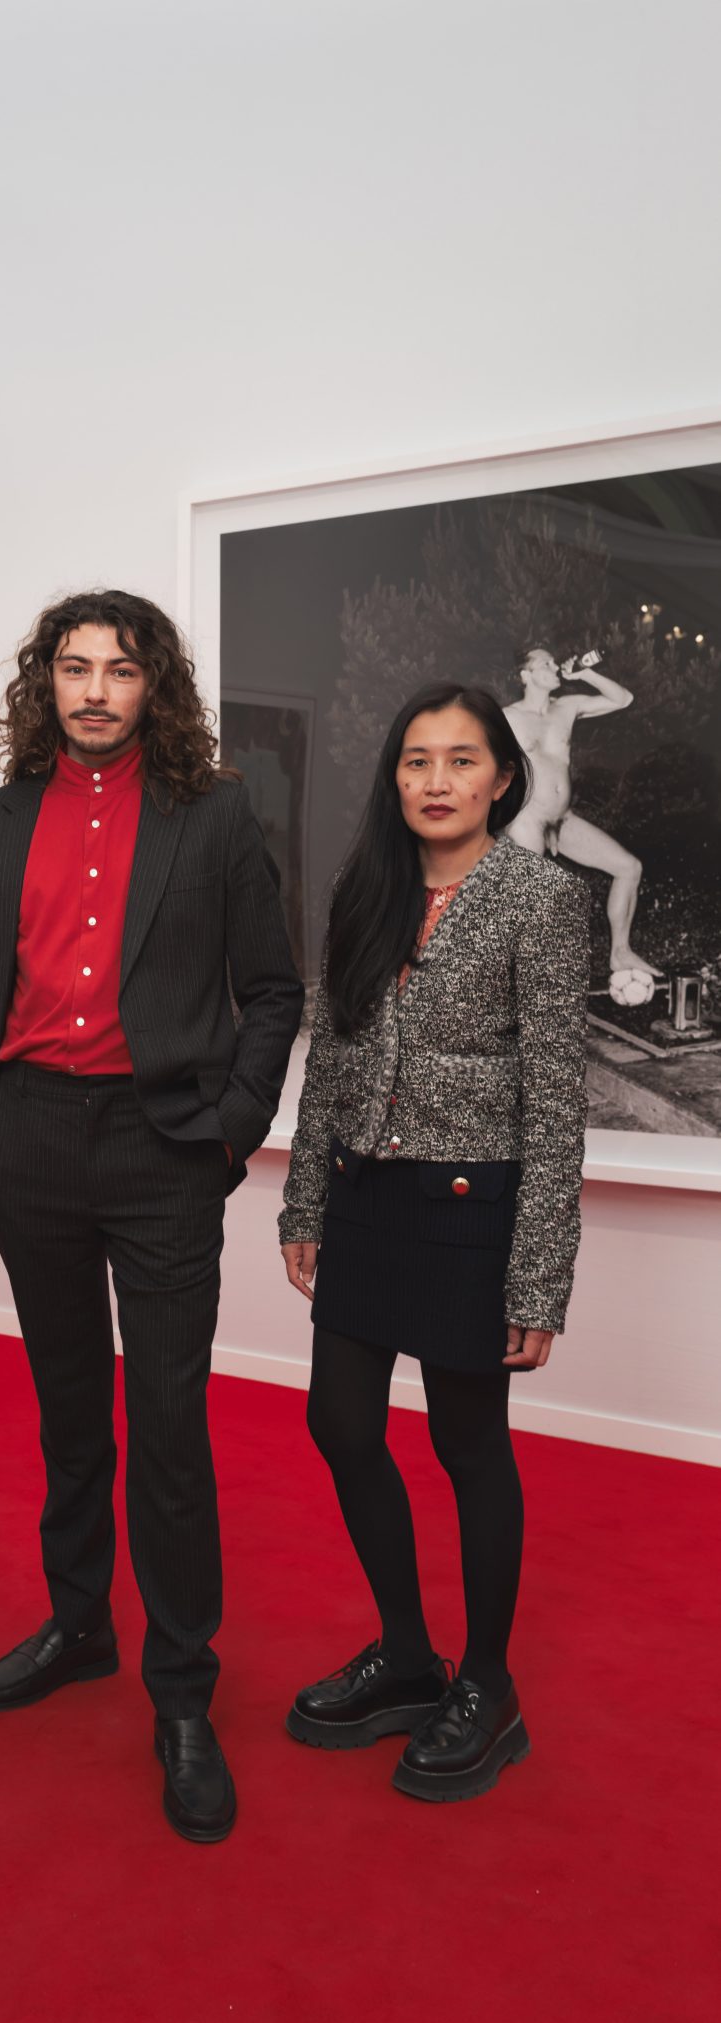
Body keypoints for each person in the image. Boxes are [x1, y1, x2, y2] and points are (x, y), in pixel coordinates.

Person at [0, 590, 302, 1843]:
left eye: (121, 670)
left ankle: (183, 1691)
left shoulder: (213, 817)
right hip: (31, 1135)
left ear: (157, 687)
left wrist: (227, 1128)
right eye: (74, 668)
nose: (95, 689)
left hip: (163, 1149)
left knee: (165, 1421)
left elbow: (271, 988)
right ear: (44, 682)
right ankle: (79, 1623)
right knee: (64, 1410)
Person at [279, 683, 589, 1802]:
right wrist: (304, 1202)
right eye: (416, 759)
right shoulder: (364, 888)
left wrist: (539, 1275)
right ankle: (408, 1655)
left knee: (468, 1444)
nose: (436, 779)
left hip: (472, 1204)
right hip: (365, 1193)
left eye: (461, 759)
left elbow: (557, 1099)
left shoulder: (539, 900)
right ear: (394, 776)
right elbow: (329, 1062)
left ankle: (488, 1682)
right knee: (338, 1418)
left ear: (501, 777)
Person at [503, 646, 656, 977]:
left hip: (563, 819)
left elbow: (623, 699)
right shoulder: (507, 718)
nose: (555, 665)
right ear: (526, 676)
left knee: (628, 868)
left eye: (554, 661)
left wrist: (584, 675)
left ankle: (620, 954)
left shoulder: (567, 707)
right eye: (546, 663)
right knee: (529, 900)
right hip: (527, 817)